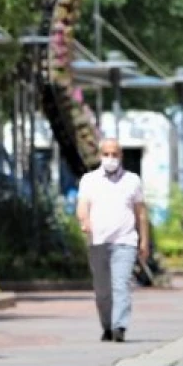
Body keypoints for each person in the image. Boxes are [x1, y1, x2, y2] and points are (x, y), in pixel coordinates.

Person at [77, 138, 148, 343]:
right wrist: (85, 221)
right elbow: (82, 206)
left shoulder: (132, 180)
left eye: (114, 154)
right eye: (106, 154)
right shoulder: (89, 180)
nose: (110, 158)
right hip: (98, 241)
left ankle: (120, 326)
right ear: (100, 155)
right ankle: (107, 325)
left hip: (125, 241)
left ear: (121, 156)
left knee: (121, 284)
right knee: (102, 291)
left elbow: (141, 214)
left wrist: (144, 241)